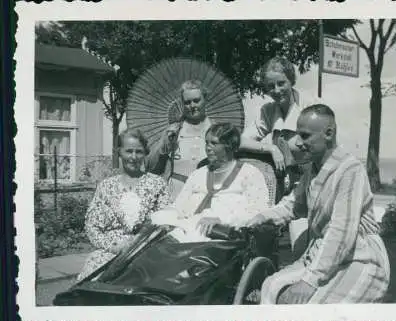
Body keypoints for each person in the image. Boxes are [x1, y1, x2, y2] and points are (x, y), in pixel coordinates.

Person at [240, 104, 390, 304]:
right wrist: (260, 217)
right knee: (271, 287)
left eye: (305, 136)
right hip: (325, 253)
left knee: (309, 306)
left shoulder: (350, 170)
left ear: (328, 133)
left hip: (359, 256)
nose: (298, 142)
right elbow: (293, 206)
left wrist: (310, 280)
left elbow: (341, 233)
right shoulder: (312, 170)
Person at [77, 129, 171, 281]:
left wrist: (140, 244)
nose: (133, 157)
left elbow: (165, 224)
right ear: (119, 152)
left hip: (145, 251)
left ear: (145, 153)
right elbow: (92, 227)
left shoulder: (157, 184)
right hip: (110, 253)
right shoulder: (106, 186)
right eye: (129, 151)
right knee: (91, 283)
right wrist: (114, 246)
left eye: (139, 152)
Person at [150, 123, 269, 242]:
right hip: (189, 224)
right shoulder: (198, 174)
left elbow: (258, 212)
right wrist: (166, 216)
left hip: (221, 233)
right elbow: (179, 206)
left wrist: (222, 220)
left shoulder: (249, 173)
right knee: (156, 220)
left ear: (229, 146)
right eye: (207, 142)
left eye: (214, 143)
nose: (208, 147)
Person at [240, 57, 319, 185]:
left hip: (312, 178)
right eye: (271, 86)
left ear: (291, 81)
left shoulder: (309, 105)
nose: (276, 90)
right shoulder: (268, 110)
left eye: (281, 83)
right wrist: (270, 148)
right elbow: (241, 141)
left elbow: (321, 148)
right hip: (285, 180)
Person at [146, 80, 213, 199]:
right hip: (176, 195)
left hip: (206, 195)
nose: (192, 106)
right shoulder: (174, 131)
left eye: (196, 100)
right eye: (187, 102)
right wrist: (164, 147)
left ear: (205, 99)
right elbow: (152, 168)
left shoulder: (216, 131)